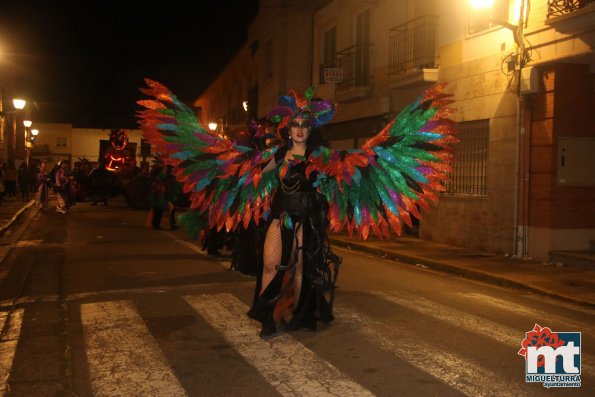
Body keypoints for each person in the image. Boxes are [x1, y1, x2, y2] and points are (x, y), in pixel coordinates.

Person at [138, 80, 457, 339]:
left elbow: (364, 162)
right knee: (270, 264)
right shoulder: (276, 157)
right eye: (295, 125)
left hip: (308, 220)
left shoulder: (323, 157)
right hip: (279, 216)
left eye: (305, 124)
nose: (300, 129)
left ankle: (297, 314)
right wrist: (232, 161)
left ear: (311, 128)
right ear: (287, 129)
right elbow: (243, 172)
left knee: (301, 269)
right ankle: (266, 317)